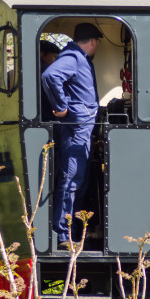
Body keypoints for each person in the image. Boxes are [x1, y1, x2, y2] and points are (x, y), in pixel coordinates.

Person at [41, 23, 102, 249]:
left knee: (78, 180)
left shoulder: (78, 58)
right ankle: (63, 235)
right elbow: (50, 76)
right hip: (77, 127)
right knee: (71, 179)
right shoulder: (74, 57)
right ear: (94, 40)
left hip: (83, 127)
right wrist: (62, 106)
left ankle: (71, 233)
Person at [39, 40, 61, 122]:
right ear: (41, 54)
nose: (56, 61)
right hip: (48, 118)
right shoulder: (46, 71)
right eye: (54, 57)